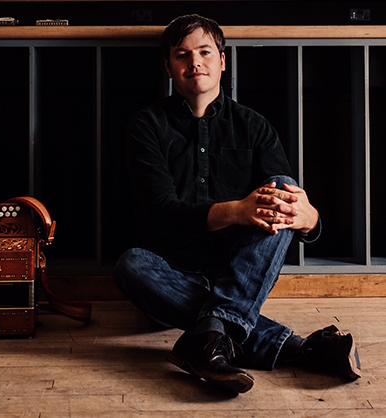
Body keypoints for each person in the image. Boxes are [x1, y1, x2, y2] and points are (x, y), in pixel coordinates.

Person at [114, 14, 361, 394]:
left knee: (284, 185)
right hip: (171, 274)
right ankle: (301, 348)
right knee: (131, 265)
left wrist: (310, 219)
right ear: (168, 67)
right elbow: (161, 214)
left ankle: (209, 338)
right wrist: (236, 210)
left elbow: (286, 205)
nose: (194, 62)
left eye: (204, 52)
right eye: (182, 55)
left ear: (222, 60)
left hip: (241, 268)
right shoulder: (146, 127)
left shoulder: (254, 126)